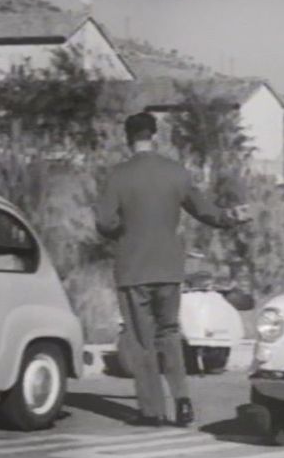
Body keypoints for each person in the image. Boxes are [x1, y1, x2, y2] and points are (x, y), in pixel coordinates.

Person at [95, 112, 250, 427]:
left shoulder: (118, 176)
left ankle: (152, 410)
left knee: (142, 340)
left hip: (133, 267)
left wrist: (122, 232)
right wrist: (231, 216)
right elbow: (205, 211)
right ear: (155, 136)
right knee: (169, 334)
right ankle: (183, 402)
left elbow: (104, 222)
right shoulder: (175, 173)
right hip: (168, 267)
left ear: (127, 138)